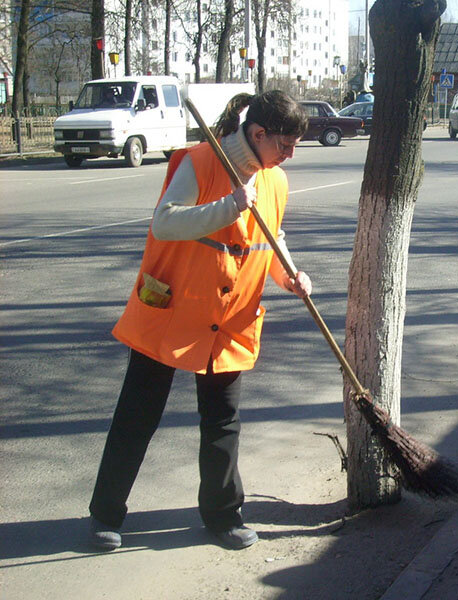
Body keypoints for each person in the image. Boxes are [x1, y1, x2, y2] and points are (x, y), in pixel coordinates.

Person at [87, 90, 311, 552]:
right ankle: (106, 514)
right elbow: (165, 224)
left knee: (223, 421)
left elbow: (271, 237)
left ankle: (224, 515)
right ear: (258, 133)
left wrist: (291, 274)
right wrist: (228, 207)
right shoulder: (200, 162)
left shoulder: (275, 180)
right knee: (137, 416)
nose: (289, 155)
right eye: (284, 144)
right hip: (172, 310)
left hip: (228, 318)